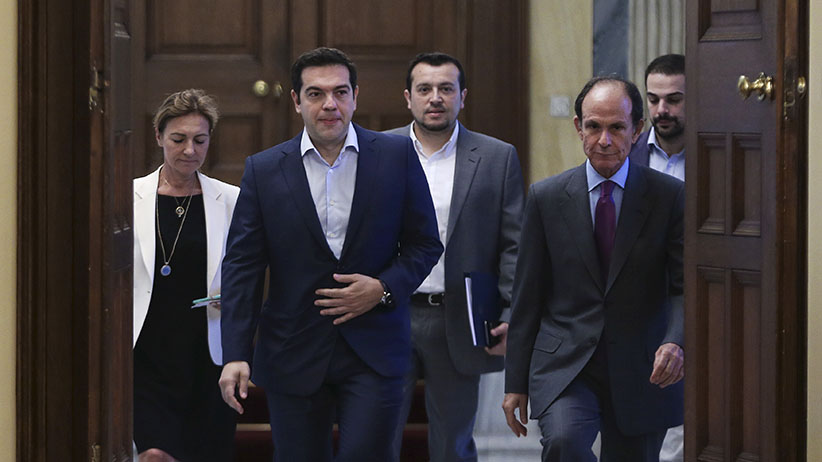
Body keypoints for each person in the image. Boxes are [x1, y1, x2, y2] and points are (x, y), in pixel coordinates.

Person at [217, 47, 443, 462]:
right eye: (316, 94)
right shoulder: (264, 170)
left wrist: (383, 288)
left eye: (340, 92)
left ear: (355, 96)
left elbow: (425, 242)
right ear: (296, 100)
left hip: (375, 348)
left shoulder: (395, 157)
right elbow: (243, 268)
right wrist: (235, 353)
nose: (330, 105)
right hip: (293, 347)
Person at [502, 76, 685, 462]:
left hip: (642, 366)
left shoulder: (668, 197)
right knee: (564, 444)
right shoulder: (546, 197)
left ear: (637, 130)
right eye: (594, 126)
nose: (604, 140)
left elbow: (683, 286)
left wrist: (675, 340)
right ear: (577, 127)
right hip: (566, 363)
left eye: (617, 128)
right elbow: (527, 296)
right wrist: (514, 381)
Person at [384, 52, 524, 462]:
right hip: (391, 314)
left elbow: (515, 243)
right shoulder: (379, 150)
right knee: (379, 435)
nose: (435, 98)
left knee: (452, 443)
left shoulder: (497, 157)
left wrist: (510, 311)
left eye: (446, 88)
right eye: (425, 89)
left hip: (459, 317)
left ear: (463, 96)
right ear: (407, 97)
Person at [133, 89, 240, 461]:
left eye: (200, 140)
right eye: (178, 139)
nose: (190, 150)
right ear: (159, 137)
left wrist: (235, 298)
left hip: (207, 351)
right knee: (155, 453)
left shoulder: (230, 199)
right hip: (147, 351)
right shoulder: (129, 198)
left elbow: (246, 269)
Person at [631, 53, 686, 462]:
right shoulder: (627, 153)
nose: (661, 110)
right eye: (653, 100)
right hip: (642, 303)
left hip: (701, 294)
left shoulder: (718, 149)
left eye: (673, 99)